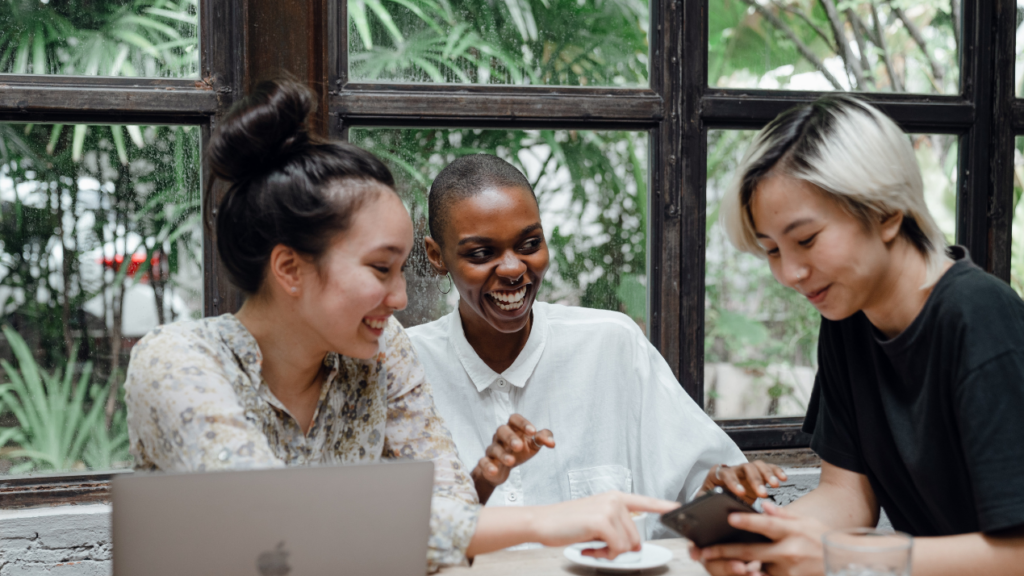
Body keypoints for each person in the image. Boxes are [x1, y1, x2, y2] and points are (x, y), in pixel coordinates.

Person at [122, 79, 680, 573]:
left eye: (403, 268)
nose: (401, 297)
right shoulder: (178, 362)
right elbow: (273, 520)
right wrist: (545, 523)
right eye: (380, 268)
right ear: (290, 268)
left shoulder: (380, 351)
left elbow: (452, 512)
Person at [692, 96, 1024, 576]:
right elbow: (847, 498)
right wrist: (762, 542)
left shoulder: (980, 319)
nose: (790, 273)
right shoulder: (847, 320)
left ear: (887, 211)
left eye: (805, 240)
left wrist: (846, 555)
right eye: (771, 251)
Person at [406, 154, 765, 540]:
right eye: (481, 253)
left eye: (529, 243)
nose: (513, 269)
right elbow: (397, 538)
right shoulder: (406, 368)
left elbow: (702, 488)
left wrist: (723, 492)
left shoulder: (612, 345)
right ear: (436, 256)